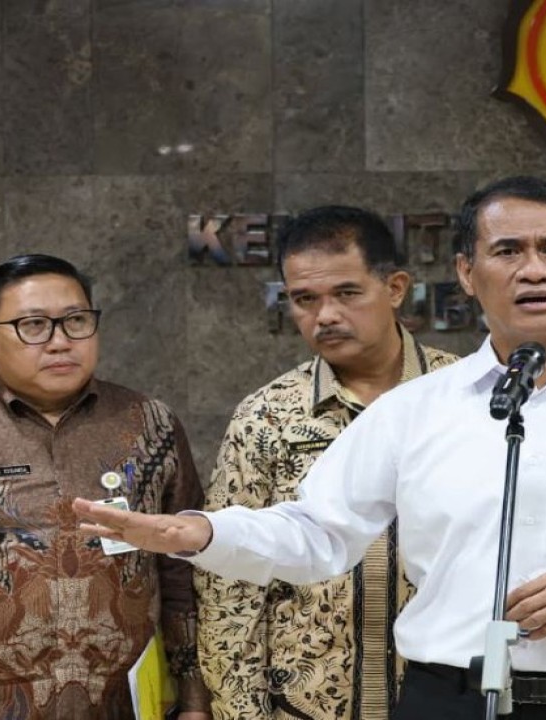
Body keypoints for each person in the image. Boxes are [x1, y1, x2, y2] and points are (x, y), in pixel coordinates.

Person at [73, 175, 546, 719]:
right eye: (507, 252)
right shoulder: (416, 408)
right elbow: (319, 533)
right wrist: (201, 532)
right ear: (467, 272)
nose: (533, 270)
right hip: (448, 698)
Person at [195, 206, 457, 719]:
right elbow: (229, 585)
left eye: (347, 293)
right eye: (305, 299)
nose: (326, 316)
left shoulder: (465, 398)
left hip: (448, 701)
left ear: (395, 288)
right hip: (305, 707)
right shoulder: (267, 415)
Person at [0, 254, 209, 719]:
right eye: (34, 325)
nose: (60, 342)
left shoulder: (148, 424)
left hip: (124, 703)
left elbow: (183, 571)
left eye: (76, 321)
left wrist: (194, 699)